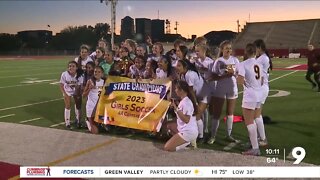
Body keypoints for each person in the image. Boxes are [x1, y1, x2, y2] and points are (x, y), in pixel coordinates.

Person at [207, 40, 239, 144]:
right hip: (220, 88)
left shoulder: (235, 60)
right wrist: (224, 75)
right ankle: (213, 136)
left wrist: (234, 74)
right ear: (222, 50)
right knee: (217, 113)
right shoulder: (218, 61)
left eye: (230, 48)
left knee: (230, 113)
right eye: (226, 48)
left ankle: (229, 135)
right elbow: (212, 76)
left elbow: (239, 74)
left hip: (232, 88)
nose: (229, 50)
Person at [237, 43, 263, 156]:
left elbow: (240, 81)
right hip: (259, 94)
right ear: (255, 52)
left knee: (249, 122)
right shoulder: (259, 64)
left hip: (250, 95)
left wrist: (235, 76)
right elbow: (261, 81)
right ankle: (255, 142)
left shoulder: (243, 64)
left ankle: (255, 148)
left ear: (246, 52)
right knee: (255, 118)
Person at [176, 60, 208, 144]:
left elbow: (191, 91)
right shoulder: (183, 75)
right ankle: (198, 134)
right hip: (196, 95)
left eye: (179, 66)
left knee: (197, 116)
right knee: (195, 116)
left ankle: (201, 136)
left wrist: (196, 104)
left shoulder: (190, 75)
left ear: (185, 67)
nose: (177, 67)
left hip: (202, 95)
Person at [164, 80, 198, 151]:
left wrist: (176, 109)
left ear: (181, 90)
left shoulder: (186, 102)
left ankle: (187, 146)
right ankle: (188, 142)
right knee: (168, 126)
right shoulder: (183, 101)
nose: (175, 90)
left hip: (188, 131)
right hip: (185, 129)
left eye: (176, 88)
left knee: (167, 147)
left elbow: (186, 120)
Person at [253, 39, 272, 146]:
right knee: (257, 115)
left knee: (256, 116)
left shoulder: (262, 59)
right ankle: (260, 138)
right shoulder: (262, 58)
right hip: (261, 87)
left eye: (255, 48)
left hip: (261, 88)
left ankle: (262, 139)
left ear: (259, 48)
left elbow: (250, 67)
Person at [59, 61, 83, 129]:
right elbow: (61, 84)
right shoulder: (64, 74)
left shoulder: (80, 75)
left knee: (78, 105)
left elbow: (79, 86)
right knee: (67, 105)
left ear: (76, 67)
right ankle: (67, 123)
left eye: (73, 66)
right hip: (67, 91)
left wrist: (77, 94)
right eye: (69, 66)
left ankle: (78, 121)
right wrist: (64, 93)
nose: (71, 67)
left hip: (76, 91)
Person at [82, 66, 105, 134]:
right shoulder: (90, 81)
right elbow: (83, 95)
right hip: (91, 106)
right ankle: (88, 122)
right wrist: (89, 89)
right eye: (95, 72)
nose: (96, 73)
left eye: (99, 72)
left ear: (102, 73)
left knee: (103, 128)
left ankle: (97, 124)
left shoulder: (104, 81)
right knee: (95, 132)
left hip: (100, 106)